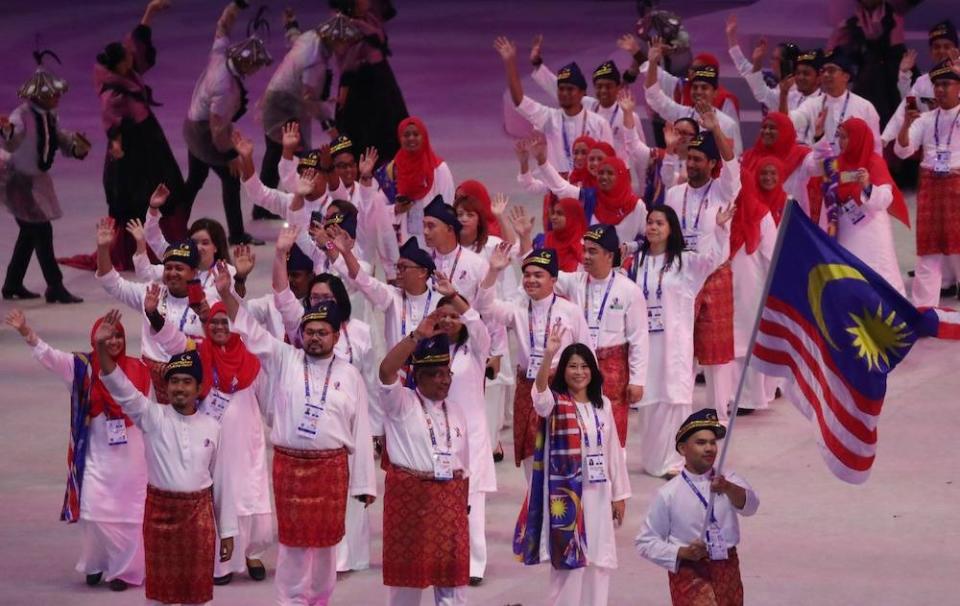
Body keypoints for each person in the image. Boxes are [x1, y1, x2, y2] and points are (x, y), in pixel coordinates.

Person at [216, 267, 376, 606]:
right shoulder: (284, 358)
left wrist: (363, 484)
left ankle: (319, 599)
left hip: (331, 470)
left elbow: (361, 431)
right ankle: (289, 601)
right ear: (300, 334)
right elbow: (248, 328)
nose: (315, 338)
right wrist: (227, 294)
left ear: (336, 336)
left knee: (325, 545)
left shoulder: (349, 375)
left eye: (322, 332)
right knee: (292, 544)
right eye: (309, 332)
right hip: (290, 469)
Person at [95, 312, 236, 606]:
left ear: (199, 389)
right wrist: (100, 349)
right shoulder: (152, 417)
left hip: (199, 520)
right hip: (160, 517)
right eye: (174, 382)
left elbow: (222, 483)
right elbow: (120, 387)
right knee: (160, 595)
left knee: (197, 594)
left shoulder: (213, 427)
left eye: (186, 382)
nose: (180, 388)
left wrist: (228, 532)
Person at [5, 309, 149, 592]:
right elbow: (49, 357)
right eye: (109, 337)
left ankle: (125, 570)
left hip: (132, 458)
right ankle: (96, 562)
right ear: (96, 338)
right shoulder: (81, 367)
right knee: (93, 511)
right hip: (96, 456)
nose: (115, 342)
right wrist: (26, 332)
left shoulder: (139, 369)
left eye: (119, 336)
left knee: (131, 515)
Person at [146, 293, 272, 586]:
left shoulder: (252, 358)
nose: (218, 327)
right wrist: (154, 315)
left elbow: (266, 399)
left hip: (246, 443)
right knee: (215, 494)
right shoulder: (199, 354)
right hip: (210, 439)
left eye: (224, 322)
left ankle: (252, 553)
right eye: (213, 322)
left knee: (248, 493)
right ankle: (221, 563)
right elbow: (171, 341)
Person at [514, 333, 630, 606]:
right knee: (568, 565)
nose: (579, 372)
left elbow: (613, 452)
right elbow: (538, 393)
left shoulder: (604, 406)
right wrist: (549, 355)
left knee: (599, 561)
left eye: (584, 366)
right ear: (563, 371)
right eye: (572, 366)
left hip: (599, 494)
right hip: (567, 496)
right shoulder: (554, 403)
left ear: (593, 370)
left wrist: (620, 495)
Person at [627, 203, 735, 477]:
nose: (653, 227)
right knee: (649, 400)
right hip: (645, 342)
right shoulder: (636, 263)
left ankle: (674, 462)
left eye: (659, 223)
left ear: (671, 228)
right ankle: (653, 460)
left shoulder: (685, 262)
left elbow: (715, 259)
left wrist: (720, 229)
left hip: (675, 343)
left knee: (673, 399)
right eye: (650, 222)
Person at [377, 322, 471, 606]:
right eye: (435, 374)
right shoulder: (401, 403)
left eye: (447, 373)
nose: (444, 380)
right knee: (407, 585)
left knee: (451, 583)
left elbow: (463, 462)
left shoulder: (455, 409)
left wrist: (462, 502)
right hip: (411, 501)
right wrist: (416, 336)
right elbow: (385, 371)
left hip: (449, 502)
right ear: (417, 376)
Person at [476, 246, 591, 472]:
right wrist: (493, 270)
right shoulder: (518, 310)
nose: (531, 280)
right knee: (531, 448)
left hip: (561, 387)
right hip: (528, 388)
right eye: (527, 275)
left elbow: (586, 352)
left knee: (562, 445)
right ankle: (534, 500)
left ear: (553, 280)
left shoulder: (571, 311)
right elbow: (484, 307)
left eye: (538, 275)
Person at [94, 0, 186, 267]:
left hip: (148, 138)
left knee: (166, 184)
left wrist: (151, 11)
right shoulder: (112, 91)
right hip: (132, 147)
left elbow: (136, 42)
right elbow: (112, 122)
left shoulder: (125, 72)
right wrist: (117, 145)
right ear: (117, 65)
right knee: (135, 196)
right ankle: (139, 249)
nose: (132, 62)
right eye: (127, 62)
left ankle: (166, 241)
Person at [635, 409, 759, 605]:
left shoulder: (729, 480)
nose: (709, 448)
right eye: (701, 443)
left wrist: (727, 487)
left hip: (727, 565)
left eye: (712, 442)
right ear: (683, 448)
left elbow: (751, 506)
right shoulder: (668, 493)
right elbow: (645, 542)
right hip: (689, 571)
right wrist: (681, 552)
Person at [0, 49, 90, 303]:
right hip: (17, 181)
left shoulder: (50, 115)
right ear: (41, 95)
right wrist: (6, 131)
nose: (58, 96)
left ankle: (12, 282)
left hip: (34, 180)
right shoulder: (22, 116)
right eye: (54, 93)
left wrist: (74, 146)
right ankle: (55, 285)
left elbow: (58, 139)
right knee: (41, 230)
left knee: (30, 232)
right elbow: (12, 139)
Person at [663, 127, 740, 419]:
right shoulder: (673, 194)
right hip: (682, 275)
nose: (692, 164)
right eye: (690, 158)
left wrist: (716, 127)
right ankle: (681, 414)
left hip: (715, 276)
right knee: (682, 345)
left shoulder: (724, 189)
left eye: (699, 159)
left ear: (711, 163)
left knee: (716, 352)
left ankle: (718, 415)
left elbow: (732, 163)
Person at [182, 2, 272, 246]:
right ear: (246, 64)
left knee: (195, 180)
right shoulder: (225, 88)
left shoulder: (220, 53)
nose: (256, 71)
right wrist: (229, 156)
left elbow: (223, 26)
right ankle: (236, 234)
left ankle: (175, 224)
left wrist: (235, 6)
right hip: (204, 135)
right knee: (231, 178)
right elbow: (217, 130)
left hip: (192, 126)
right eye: (255, 66)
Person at [551, 224, 648, 446]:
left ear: (609, 255)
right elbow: (542, 272)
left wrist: (638, 380)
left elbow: (639, 339)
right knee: (578, 425)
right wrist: (524, 238)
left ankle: (616, 478)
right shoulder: (574, 281)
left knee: (613, 430)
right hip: (577, 365)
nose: (585, 256)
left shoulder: (628, 290)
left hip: (613, 368)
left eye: (593, 251)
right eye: (584, 249)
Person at [428, 274, 496, 586]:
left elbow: (477, 323)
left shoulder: (477, 347)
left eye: (454, 316)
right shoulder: (430, 351)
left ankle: (474, 564)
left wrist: (454, 295)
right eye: (442, 316)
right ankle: (441, 558)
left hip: (473, 436)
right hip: (438, 433)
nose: (449, 321)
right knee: (438, 499)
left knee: (473, 500)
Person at [95, 219, 207, 401]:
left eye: (179, 268)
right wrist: (103, 249)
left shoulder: (206, 302)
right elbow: (111, 282)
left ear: (194, 272)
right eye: (168, 268)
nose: (172, 273)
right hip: (151, 382)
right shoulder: (152, 292)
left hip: (189, 383)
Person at [256, 6, 337, 217]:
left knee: (275, 152)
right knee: (301, 153)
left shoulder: (311, 37)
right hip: (285, 105)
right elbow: (308, 97)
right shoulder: (316, 61)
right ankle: (304, 203)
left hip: (278, 99)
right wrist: (327, 122)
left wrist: (290, 24)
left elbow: (295, 40)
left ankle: (264, 207)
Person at [814, 117, 909, 294]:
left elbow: (885, 199)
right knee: (849, 279)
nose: (841, 142)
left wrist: (867, 186)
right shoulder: (834, 164)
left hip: (871, 233)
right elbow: (825, 195)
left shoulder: (874, 162)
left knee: (880, 281)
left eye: (846, 137)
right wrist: (819, 136)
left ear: (858, 138)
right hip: (845, 232)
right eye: (839, 137)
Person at [494, 36, 613, 175]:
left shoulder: (599, 123)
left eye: (570, 89)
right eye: (561, 89)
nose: (564, 93)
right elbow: (519, 101)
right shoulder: (549, 118)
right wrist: (510, 63)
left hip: (591, 191)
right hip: (558, 190)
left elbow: (610, 162)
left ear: (582, 93)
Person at [895, 60, 960, 307]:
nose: (941, 90)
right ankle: (924, 309)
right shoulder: (924, 119)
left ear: (958, 88)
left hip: (958, 183)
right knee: (929, 249)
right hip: (931, 185)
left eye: (946, 84)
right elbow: (903, 151)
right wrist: (905, 125)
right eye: (937, 85)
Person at [529, 35, 646, 159]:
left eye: (608, 86)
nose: (603, 91)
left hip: (614, 174)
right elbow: (558, 87)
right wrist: (537, 64)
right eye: (599, 86)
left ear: (618, 87)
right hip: (586, 170)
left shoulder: (629, 117)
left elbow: (642, 151)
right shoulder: (587, 104)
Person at [332, 0, 409, 163]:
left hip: (381, 78)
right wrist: (344, 91)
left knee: (391, 128)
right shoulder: (343, 24)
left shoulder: (370, 18)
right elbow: (346, 63)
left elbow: (380, 40)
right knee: (364, 135)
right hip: (360, 83)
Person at [725, 15, 823, 142]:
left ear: (787, 63)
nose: (771, 62)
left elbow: (759, 90)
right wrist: (732, 39)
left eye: (775, 59)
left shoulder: (795, 91)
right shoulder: (775, 83)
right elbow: (748, 72)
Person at [644, 41, 743, 156]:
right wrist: (652, 63)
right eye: (695, 87)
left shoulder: (727, 124)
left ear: (715, 93)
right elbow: (654, 96)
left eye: (704, 88)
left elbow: (735, 159)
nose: (698, 92)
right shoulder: (682, 114)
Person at [828, 0, 909, 127]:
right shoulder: (851, 25)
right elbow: (844, 62)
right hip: (861, 91)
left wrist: (875, 44)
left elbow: (897, 64)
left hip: (888, 95)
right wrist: (836, 43)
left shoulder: (893, 21)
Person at [787, 48, 882, 155]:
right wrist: (783, 94)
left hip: (852, 169)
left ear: (846, 76)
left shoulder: (865, 107)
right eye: (823, 71)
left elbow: (875, 148)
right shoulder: (812, 104)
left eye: (831, 70)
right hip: (818, 166)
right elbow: (788, 123)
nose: (826, 75)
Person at [882, 20, 959, 146]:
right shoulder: (922, 82)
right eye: (936, 47)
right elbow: (908, 107)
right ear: (930, 51)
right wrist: (904, 76)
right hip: (929, 148)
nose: (941, 51)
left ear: (956, 49)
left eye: (947, 46)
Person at [382, 117, 455, 247]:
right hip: (402, 240)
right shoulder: (392, 169)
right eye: (406, 135)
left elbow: (447, 205)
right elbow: (379, 208)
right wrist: (396, 209)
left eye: (416, 134)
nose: (411, 138)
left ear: (424, 137)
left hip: (433, 242)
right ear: (400, 138)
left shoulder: (439, 169)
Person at [740, 112, 814, 220]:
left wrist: (818, 137)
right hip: (756, 221)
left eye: (772, 128)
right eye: (764, 127)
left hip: (790, 223)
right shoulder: (748, 157)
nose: (766, 131)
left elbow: (819, 167)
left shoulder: (802, 157)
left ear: (785, 130)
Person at [422, 195, 490, 303]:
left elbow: (484, 308)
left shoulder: (477, 264)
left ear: (449, 229)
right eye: (424, 226)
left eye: (431, 226)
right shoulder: (420, 264)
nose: (425, 232)